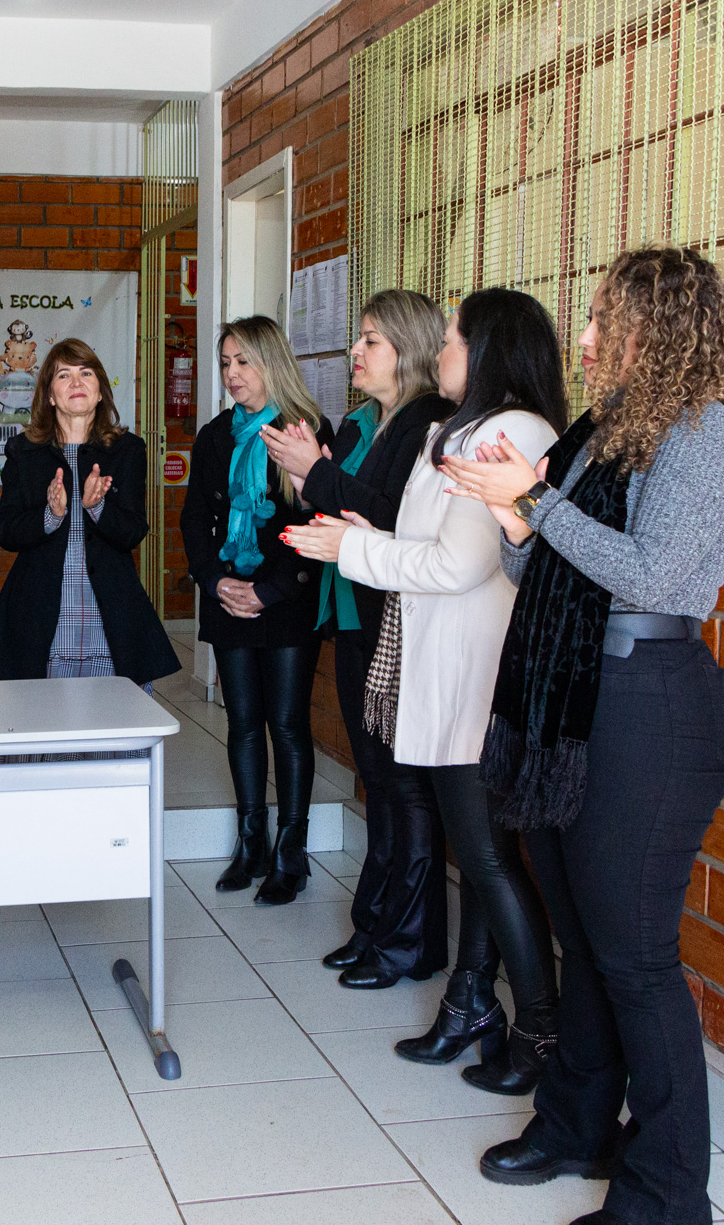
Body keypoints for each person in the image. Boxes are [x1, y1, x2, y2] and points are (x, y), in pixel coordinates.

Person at [443, 249, 724, 1225]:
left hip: (651, 707)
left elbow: (650, 575)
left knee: (635, 959)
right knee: (583, 938)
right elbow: (538, 571)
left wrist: (533, 502)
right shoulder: (603, 431)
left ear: (654, 330)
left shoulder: (705, 435)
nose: (582, 339)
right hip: (578, 702)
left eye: (602, 320)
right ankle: (576, 1125)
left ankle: (666, 1198)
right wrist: (510, 513)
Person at [285, 287, 567, 1095]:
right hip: (447, 666)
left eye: (452, 339)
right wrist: (365, 537)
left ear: (489, 351)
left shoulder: (511, 433)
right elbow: (423, 541)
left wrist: (352, 551)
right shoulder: (458, 429)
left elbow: (458, 564)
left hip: (476, 673)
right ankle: (470, 1004)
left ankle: (539, 1031)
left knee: (486, 858)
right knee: (478, 857)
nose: (440, 351)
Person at [263, 290, 454, 987]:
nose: (356, 351)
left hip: (396, 622)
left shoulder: (428, 421)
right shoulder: (361, 421)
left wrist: (316, 474)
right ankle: (375, 923)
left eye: (371, 339)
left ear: (408, 347)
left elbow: (392, 517)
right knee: (376, 778)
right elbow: (331, 505)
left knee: (402, 785)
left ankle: (408, 938)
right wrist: (304, 474)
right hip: (350, 615)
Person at [181, 315, 331, 906]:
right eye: (225, 363)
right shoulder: (215, 435)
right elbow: (195, 518)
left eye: (244, 361)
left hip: (285, 599)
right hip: (229, 597)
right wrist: (214, 580)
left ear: (272, 362)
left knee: (287, 724)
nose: (232, 373)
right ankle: (252, 843)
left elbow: (317, 524)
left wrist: (269, 591)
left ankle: (292, 851)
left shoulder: (305, 430)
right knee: (242, 722)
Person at [0, 338, 180, 687]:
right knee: (43, 720)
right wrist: (50, 515)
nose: (76, 382)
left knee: (117, 719)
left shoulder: (127, 450)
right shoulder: (24, 451)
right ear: (50, 396)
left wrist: (98, 507)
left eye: (86, 373)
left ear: (100, 392)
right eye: (63, 375)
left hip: (112, 618)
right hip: (40, 619)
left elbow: (133, 531)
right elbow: (4, 530)